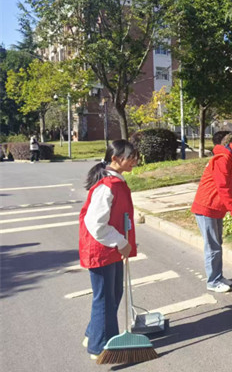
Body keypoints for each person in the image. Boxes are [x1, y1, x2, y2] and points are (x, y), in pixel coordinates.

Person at [79, 140, 139, 360]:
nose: (134, 161)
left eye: (135, 157)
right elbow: (96, 224)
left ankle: (93, 334)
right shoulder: (107, 187)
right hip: (101, 249)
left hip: (112, 247)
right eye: (130, 157)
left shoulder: (117, 182)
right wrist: (121, 242)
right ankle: (100, 347)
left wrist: (126, 240)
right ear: (115, 159)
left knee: (114, 294)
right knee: (104, 298)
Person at [191, 132, 232, 293]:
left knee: (217, 244)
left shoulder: (231, 161)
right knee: (212, 246)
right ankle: (213, 281)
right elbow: (224, 189)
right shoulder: (223, 159)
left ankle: (218, 277)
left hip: (216, 208)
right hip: (207, 207)